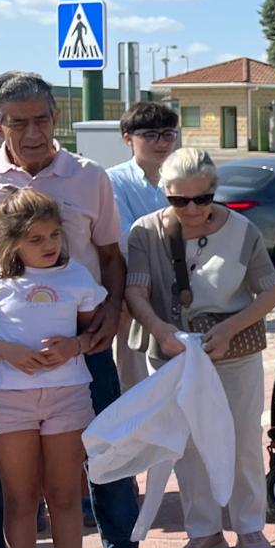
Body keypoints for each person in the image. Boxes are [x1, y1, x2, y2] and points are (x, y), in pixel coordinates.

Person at [0, 71, 164, 548]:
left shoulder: (87, 177)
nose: (33, 132)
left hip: (82, 348)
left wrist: (109, 316)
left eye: (43, 119)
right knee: (0, 474)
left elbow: (110, 255)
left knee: (104, 445)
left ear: (58, 117)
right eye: (19, 121)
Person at [123, 148, 275, 548]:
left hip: (234, 349)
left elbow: (271, 292)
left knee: (243, 439)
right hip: (174, 352)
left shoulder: (243, 230)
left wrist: (230, 328)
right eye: (179, 200)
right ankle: (204, 532)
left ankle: (249, 527)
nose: (191, 210)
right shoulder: (145, 233)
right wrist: (162, 332)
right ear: (165, 194)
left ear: (214, 191)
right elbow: (135, 292)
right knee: (187, 444)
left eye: (202, 199)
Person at [0, 189, 110, 548]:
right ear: (11, 242)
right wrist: (4, 350)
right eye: (34, 238)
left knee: (66, 494)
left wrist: (75, 345)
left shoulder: (77, 278)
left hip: (68, 396)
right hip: (10, 400)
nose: (48, 245)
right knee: (20, 498)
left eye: (52, 235)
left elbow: (94, 336)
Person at [108, 101, 178, 390]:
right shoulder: (113, 180)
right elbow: (126, 238)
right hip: (133, 288)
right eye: (150, 134)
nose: (161, 142)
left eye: (168, 134)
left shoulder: (182, 177)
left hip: (180, 285)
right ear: (128, 137)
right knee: (135, 374)